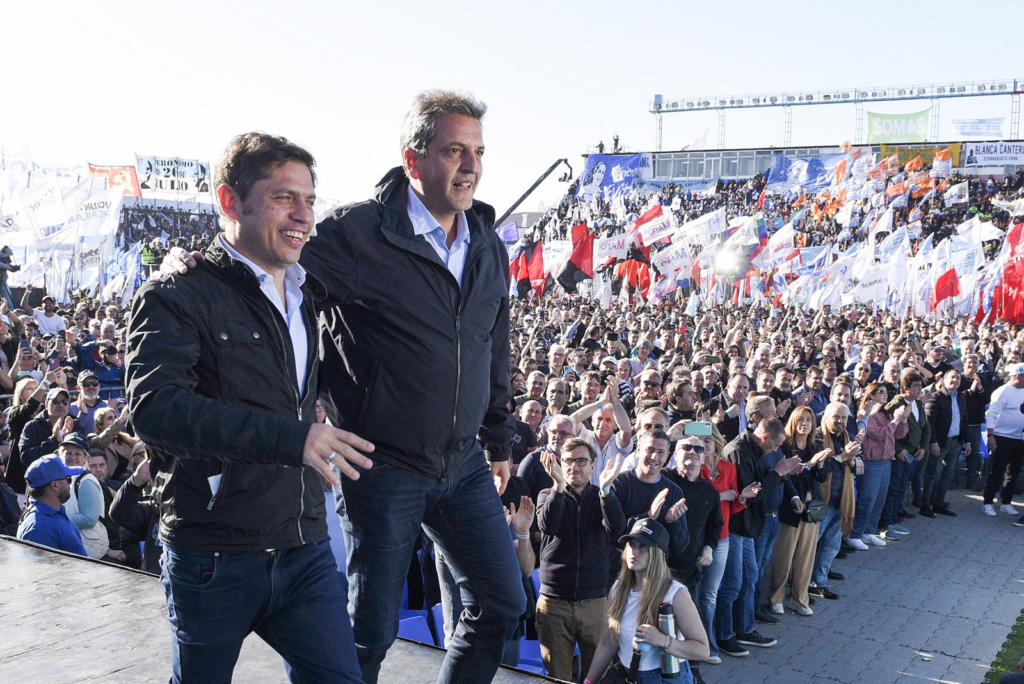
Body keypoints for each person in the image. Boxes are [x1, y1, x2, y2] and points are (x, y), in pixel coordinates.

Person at [129, 132, 370, 683]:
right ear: (229, 201)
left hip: (303, 546)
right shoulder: (176, 293)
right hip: (214, 554)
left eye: (309, 200)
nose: (303, 215)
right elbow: (156, 409)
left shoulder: (308, 294)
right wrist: (293, 439)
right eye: (284, 197)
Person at [535, 438, 626, 681]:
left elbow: (617, 530)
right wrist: (558, 486)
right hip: (554, 604)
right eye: (568, 461)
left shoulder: (602, 496)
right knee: (558, 676)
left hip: (595, 603)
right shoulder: (547, 494)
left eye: (581, 461)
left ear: (592, 465)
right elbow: (548, 525)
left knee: (599, 675)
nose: (574, 466)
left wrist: (606, 491)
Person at [583, 517, 710, 684]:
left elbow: (702, 650)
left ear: (658, 553)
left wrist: (662, 640)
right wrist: (588, 682)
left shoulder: (674, 593)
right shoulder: (618, 589)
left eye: (643, 546)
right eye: (631, 544)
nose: (634, 551)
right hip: (630, 675)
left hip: (667, 678)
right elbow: (608, 643)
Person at [716, 419, 803, 658]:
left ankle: (744, 629)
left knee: (750, 577)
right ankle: (724, 635)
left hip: (748, 526)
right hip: (735, 526)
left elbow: (762, 480)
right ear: (765, 437)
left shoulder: (755, 450)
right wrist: (777, 473)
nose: (775, 450)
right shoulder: (738, 450)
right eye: (775, 445)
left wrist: (783, 474)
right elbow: (751, 492)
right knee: (732, 583)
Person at [769, 407, 831, 617]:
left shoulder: (816, 446)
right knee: (784, 557)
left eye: (809, 420)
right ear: (793, 422)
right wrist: (809, 464)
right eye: (801, 419)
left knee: (806, 557)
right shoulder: (785, 447)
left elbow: (822, 478)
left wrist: (819, 465)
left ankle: (799, 599)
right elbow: (787, 477)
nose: (805, 423)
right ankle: (776, 598)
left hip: (811, 508)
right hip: (790, 506)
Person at [852, 383, 909, 547]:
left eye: (886, 392)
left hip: (886, 461)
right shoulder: (866, 414)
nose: (885, 395)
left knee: (879, 500)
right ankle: (856, 533)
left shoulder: (885, 413)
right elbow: (878, 434)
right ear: (871, 395)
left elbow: (899, 434)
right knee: (867, 499)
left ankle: (869, 532)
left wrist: (903, 419)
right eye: (881, 392)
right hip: (872, 462)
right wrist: (896, 420)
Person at [879, 371, 930, 539]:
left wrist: (923, 447)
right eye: (916, 386)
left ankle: (894, 520)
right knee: (893, 489)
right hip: (899, 455)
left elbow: (926, 427)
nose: (920, 389)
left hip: (913, 454)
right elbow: (889, 430)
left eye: (920, 386)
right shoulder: (896, 404)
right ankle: (886, 524)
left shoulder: (918, 404)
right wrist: (898, 449)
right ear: (905, 388)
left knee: (901, 489)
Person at [17, 453, 87, 556]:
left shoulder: (54, 513)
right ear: (55, 485)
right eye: (68, 479)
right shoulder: (40, 528)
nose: (70, 484)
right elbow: (43, 566)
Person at [922, 369, 970, 517]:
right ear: (944, 379)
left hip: (955, 442)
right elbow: (930, 423)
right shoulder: (936, 397)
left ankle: (939, 503)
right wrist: (933, 443)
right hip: (940, 443)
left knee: (947, 475)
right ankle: (925, 505)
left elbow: (964, 421)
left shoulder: (961, 398)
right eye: (952, 377)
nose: (955, 380)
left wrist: (967, 441)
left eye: (958, 378)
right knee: (932, 474)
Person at [983, 363, 1024, 520]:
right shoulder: (1002, 392)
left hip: (1018, 437)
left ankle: (1005, 501)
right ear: (1018, 377)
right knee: (998, 471)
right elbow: (991, 414)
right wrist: (991, 436)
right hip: (1001, 437)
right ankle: (987, 502)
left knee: (1014, 471)